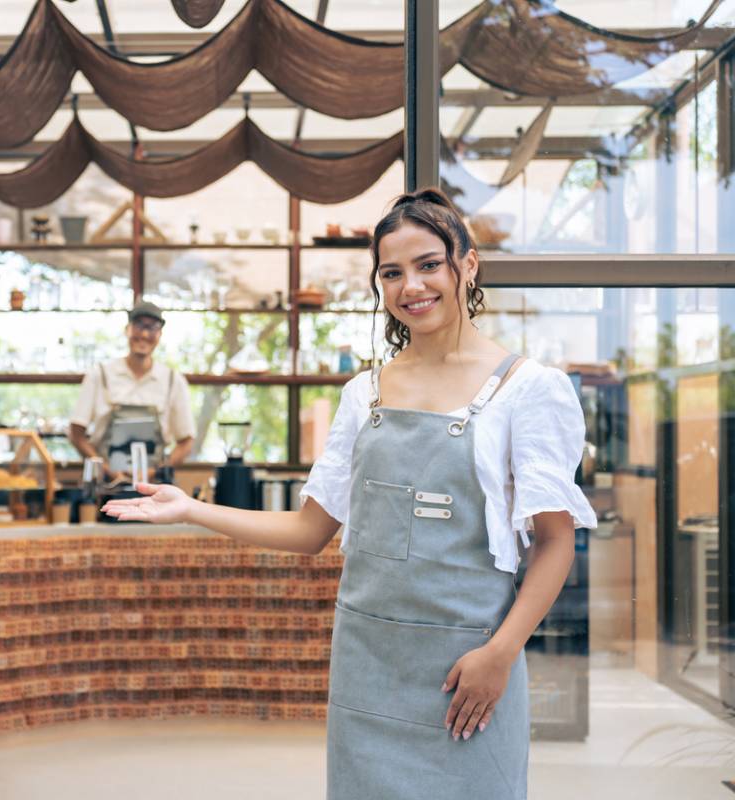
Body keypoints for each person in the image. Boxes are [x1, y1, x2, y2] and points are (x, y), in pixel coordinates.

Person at [102, 188, 597, 799]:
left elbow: (554, 544)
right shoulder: (365, 394)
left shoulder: (529, 390)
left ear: (468, 264)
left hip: (468, 669)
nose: (410, 285)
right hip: (368, 666)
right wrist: (191, 509)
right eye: (391, 272)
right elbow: (311, 531)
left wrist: (501, 653)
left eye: (428, 264)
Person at [69, 300, 196, 482]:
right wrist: (106, 469)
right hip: (106, 483)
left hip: (156, 484)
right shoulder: (100, 375)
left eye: (152, 328)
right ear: (127, 329)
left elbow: (186, 442)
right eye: (139, 325)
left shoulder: (173, 381)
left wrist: (153, 473)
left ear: (160, 335)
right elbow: (76, 433)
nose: (144, 334)